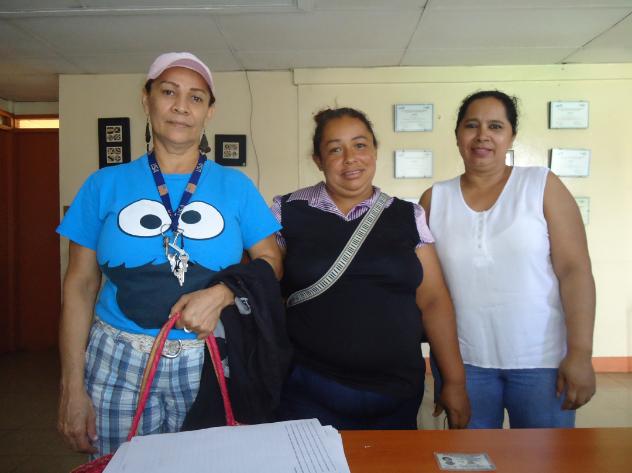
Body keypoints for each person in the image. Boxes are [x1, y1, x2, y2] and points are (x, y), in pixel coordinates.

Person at [56, 52, 282, 456]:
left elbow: (272, 261)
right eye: (168, 92)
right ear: (146, 100)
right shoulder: (103, 184)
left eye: (196, 97)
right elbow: (80, 285)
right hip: (116, 361)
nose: (181, 106)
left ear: (209, 112)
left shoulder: (236, 187)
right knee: (118, 465)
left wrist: (223, 293)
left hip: (207, 358)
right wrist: (71, 385)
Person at [272, 107, 470, 430]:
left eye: (360, 145)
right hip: (308, 391)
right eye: (335, 149)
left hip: (397, 394)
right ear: (318, 160)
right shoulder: (286, 211)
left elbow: (434, 300)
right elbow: (262, 286)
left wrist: (455, 382)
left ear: (375, 151)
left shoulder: (408, 216)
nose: (350, 158)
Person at [420, 90, 596, 429]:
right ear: (457, 134)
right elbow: (427, 288)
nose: (482, 135)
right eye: (472, 125)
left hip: (542, 362)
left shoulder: (541, 185)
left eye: (495, 126)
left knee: (544, 456)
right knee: (470, 456)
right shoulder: (435, 199)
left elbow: (575, 271)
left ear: (511, 136)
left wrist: (580, 352)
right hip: (463, 363)